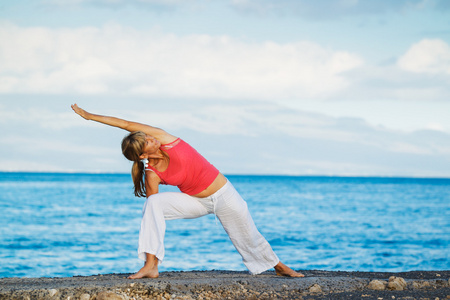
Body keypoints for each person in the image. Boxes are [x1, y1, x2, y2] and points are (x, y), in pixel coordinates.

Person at [71, 104, 304, 279]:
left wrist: (90, 117)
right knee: (152, 205)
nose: (152, 138)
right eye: (147, 142)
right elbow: (155, 214)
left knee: (247, 235)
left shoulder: (165, 139)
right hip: (197, 202)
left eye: (148, 137)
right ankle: (151, 264)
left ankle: (279, 267)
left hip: (223, 194)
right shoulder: (152, 173)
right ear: (143, 155)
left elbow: (126, 124)